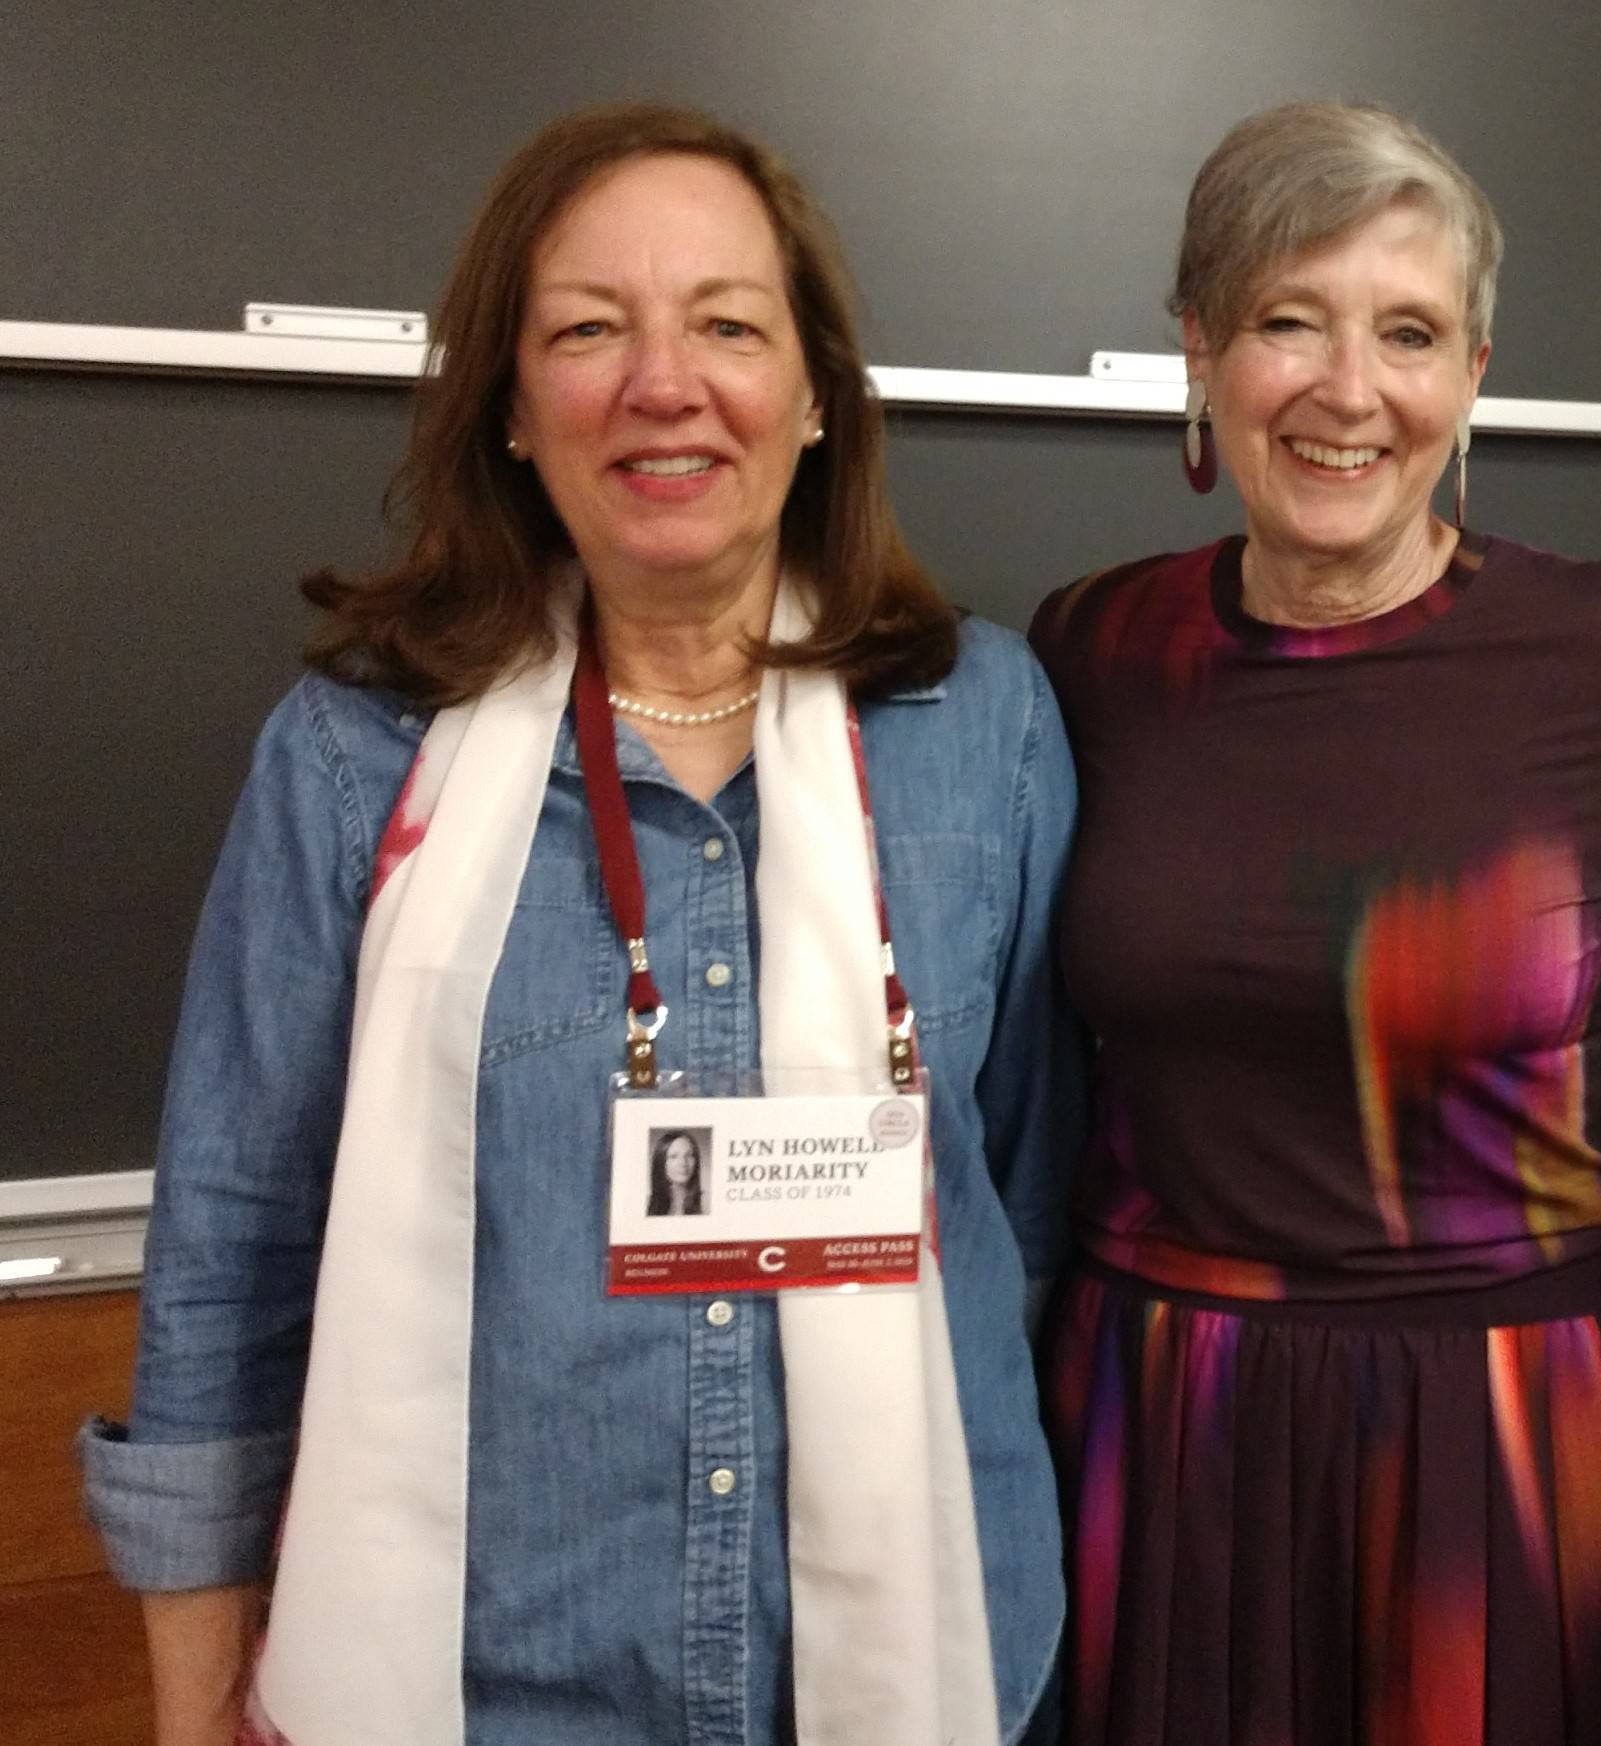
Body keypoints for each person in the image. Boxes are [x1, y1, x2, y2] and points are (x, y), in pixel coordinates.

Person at [78, 103, 1079, 1746]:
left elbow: (1021, 1206)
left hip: (927, 1670)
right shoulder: (354, 759)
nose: (662, 382)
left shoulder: (986, 726)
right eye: (588, 331)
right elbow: (233, 1255)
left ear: (815, 396)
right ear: (514, 412)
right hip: (483, 1697)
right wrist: (195, 1703)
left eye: (729, 327)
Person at [1030, 101, 1601, 1746]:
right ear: (1199, 349)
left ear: (1472, 372)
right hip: (1151, 1423)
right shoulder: (1087, 652)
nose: (1349, 390)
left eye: (1406, 332)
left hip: (1509, 1435)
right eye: (1286, 320)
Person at [648, 1128, 710, 1216]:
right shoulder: (648, 1205)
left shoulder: (707, 1202)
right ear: (660, 1162)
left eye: (689, 1155)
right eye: (674, 1156)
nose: (683, 1163)